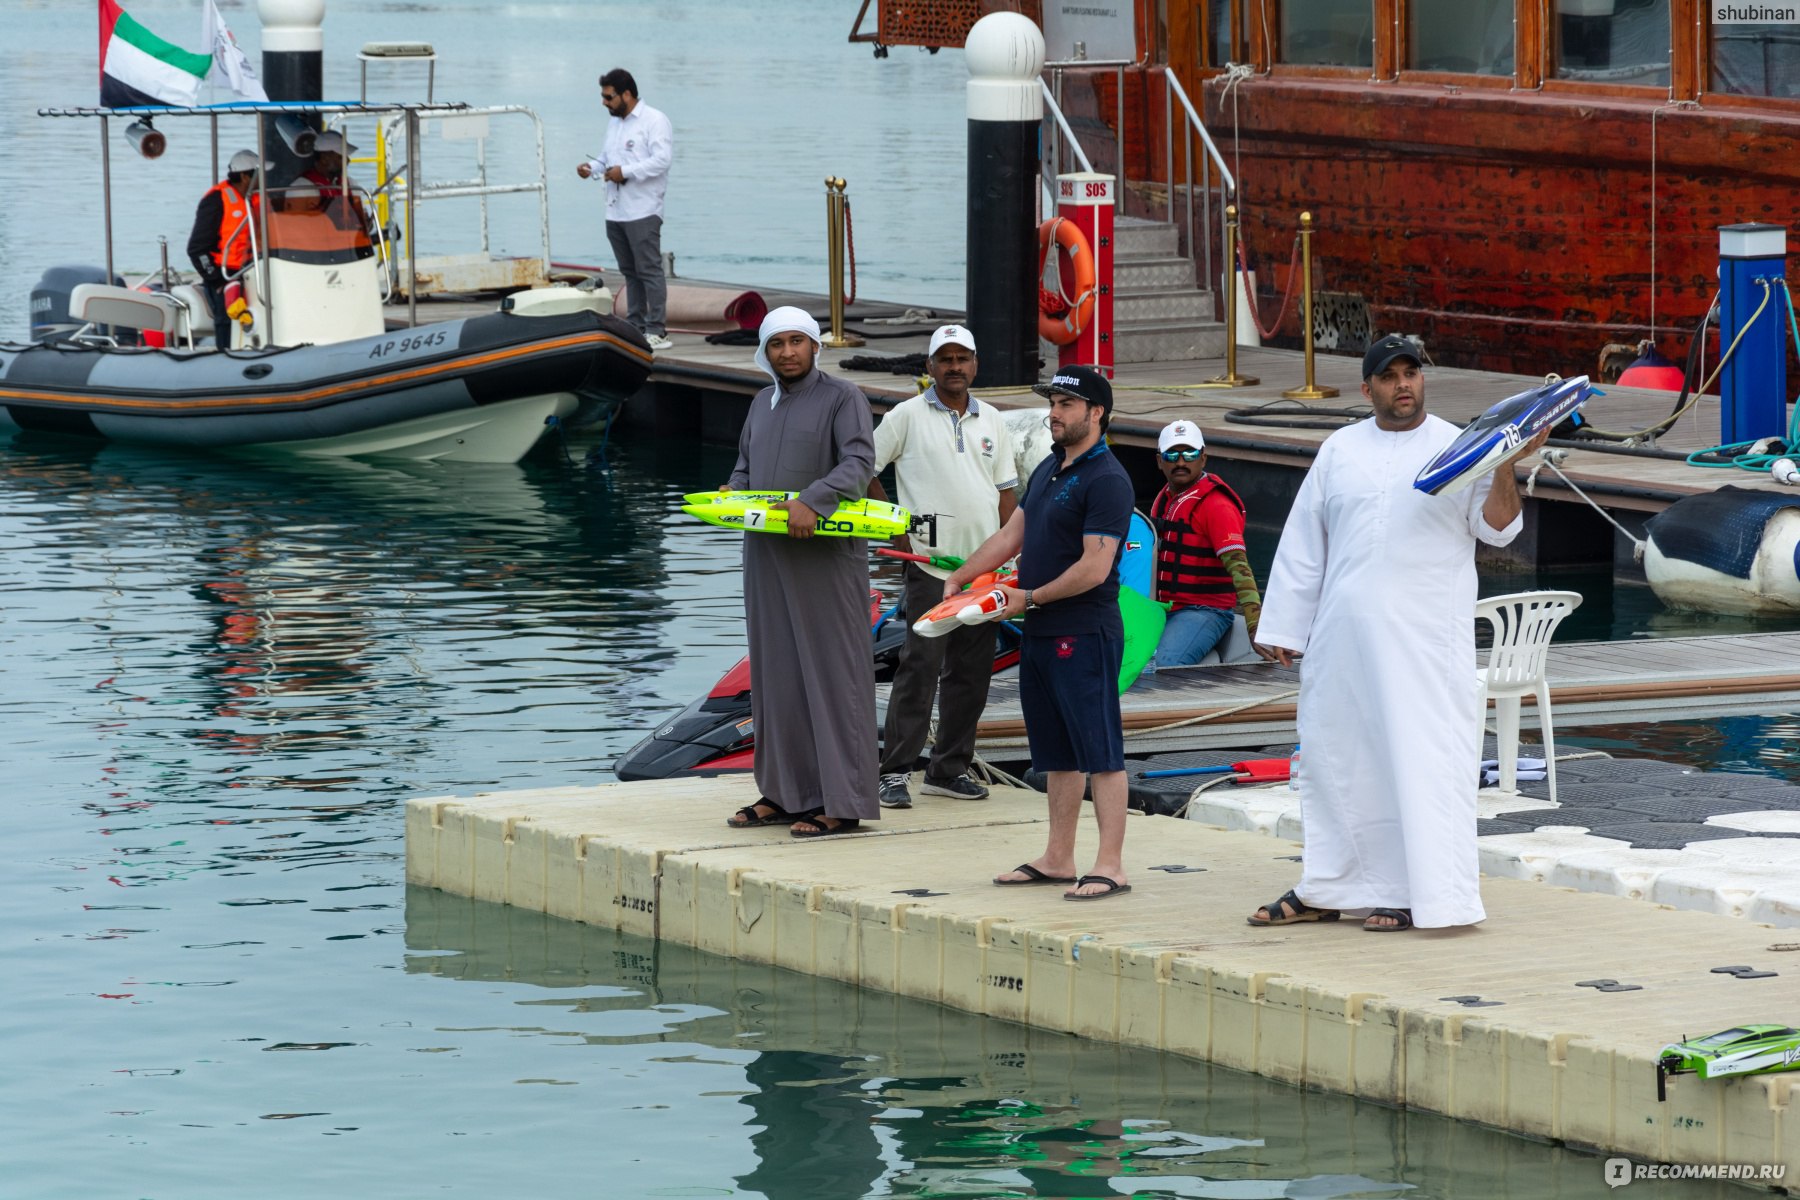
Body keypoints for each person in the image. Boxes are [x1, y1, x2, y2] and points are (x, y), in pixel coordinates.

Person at [1247, 334, 1545, 933]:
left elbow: (1499, 530)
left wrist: (1508, 461)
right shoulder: (1338, 449)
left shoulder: (1460, 447)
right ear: (1368, 388)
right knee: (1336, 762)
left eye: (1411, 373)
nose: (1403, 384)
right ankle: (1327, 885)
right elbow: (1306, 543)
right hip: (1341, 642)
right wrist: (1282, 624)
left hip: (1425, 645)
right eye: (1390, 376)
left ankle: (1418, 893)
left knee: (1420, 764)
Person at [946, 366, 1135, 901]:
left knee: (1101, 749)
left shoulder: (1108, 480)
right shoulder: (1053, 465)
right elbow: (1013, 534)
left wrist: (1027, 598)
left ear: (1096, 413)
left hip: (1085, 628)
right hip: (1042, 630)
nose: (1053, 412)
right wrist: (961, 577)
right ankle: (1058, 856)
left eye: (1065, 405)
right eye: (1052, 402)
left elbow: (1095, 568)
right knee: (1055, 751)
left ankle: (1111, 864)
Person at [721, 306, 879, 838]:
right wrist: (731, 492)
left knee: (834, 676)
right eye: (777, 344)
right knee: (776, 675)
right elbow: (745, 466)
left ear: (815, 346)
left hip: (825, 557)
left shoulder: (843, 398)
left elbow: (858, 464)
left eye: (797, 341)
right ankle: (785, 793)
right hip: (765, 554)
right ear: (764, 352)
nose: (787, 352)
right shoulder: (759, 403)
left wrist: (815, 499)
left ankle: (844, 800)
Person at [865, 324, 1017, 809]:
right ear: (929, 367)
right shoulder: (905, 415)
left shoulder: (993, 419)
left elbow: (1006, 494)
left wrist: (1009, 559)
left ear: (975, 365)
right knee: (919, 667)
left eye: (963, 358)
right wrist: (893, 525)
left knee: (972, 673)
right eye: (945, 359)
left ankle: (948, 769)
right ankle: (894, 772)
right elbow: (863, 465)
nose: (954, 367)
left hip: (985, 570)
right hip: (929, 565)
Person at [1146, 419, 1271, 668]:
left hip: (1204, 610)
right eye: (1172, 455)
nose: (1181, 462)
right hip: (1162, 609)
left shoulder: (1217, 506)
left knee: (1163, 666)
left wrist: (1256, 625)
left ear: (1203, 458)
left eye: (1189, 453)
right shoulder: (1164, 500)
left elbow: (1240, 569)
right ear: (1160, 461)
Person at [578, 68, 673, 351]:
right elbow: (607, 158)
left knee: (649, 270)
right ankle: (636, 325)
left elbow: (662, 160)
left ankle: (657, 330)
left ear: (626, 94)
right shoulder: (615, 124)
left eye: (608, 97)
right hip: (615, 210)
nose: (604, 102)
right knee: (630, 272)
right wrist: (591, 168)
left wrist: (626, 172)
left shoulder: (654, 120)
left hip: (643, 209)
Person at [187, 149, 268, 347]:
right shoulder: (216, 200)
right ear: (244, 176)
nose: (264, 179)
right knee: (226, 321)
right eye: (259, 174)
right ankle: (225, 356)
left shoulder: (259, 199)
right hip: (225, 276)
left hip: (255, 271)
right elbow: (197, 248)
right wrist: (218, 281)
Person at [293, 130, 367, 228]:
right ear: (324, 159)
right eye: (341, 157)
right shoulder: (301, 188)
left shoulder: (351, 184)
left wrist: (365, 222)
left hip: (351, 242)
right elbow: (295, 228)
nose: (348, 161)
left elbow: (361, 221)